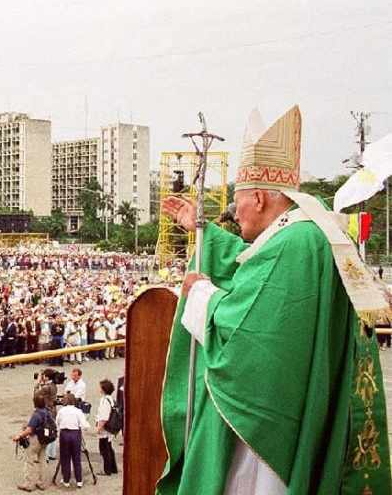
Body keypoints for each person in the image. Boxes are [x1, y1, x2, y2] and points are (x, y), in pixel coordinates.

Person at [159, 106, 391, 493]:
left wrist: (200, 294)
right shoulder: (307, 233)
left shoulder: (293, 243)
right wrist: (203, 232)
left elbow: (247, 329)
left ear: (259, 198)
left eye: (238, 201)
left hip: (269, 426)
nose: (234, 212)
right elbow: (256, 269)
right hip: (302, 399)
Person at [11, 393, 50, 492]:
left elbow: (29, 430)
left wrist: (19, 436)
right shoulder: (46, 411)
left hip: (36, 439)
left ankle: (29, 484)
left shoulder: (36, 415)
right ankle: (41, 482)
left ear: (35, 403)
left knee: (30, 461)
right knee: (42, 460)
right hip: (45, 439)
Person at [56, 393, 90, 488]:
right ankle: (79, 480)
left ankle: (66, 480)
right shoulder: (78, 411)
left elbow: (57, 422)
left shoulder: (62, 411)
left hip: (64, 434)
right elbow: (84, 424)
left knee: (65, 457)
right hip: (75, 434)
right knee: (76, 457)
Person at [95, 379, 119, 476]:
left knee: (104, 449)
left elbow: (104, 416)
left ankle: (107, 469)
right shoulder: (111, 399)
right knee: (109, 447)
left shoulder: (105, 401)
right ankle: (113, 468)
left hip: (105, 428)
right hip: (110, 427)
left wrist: (99, 428)